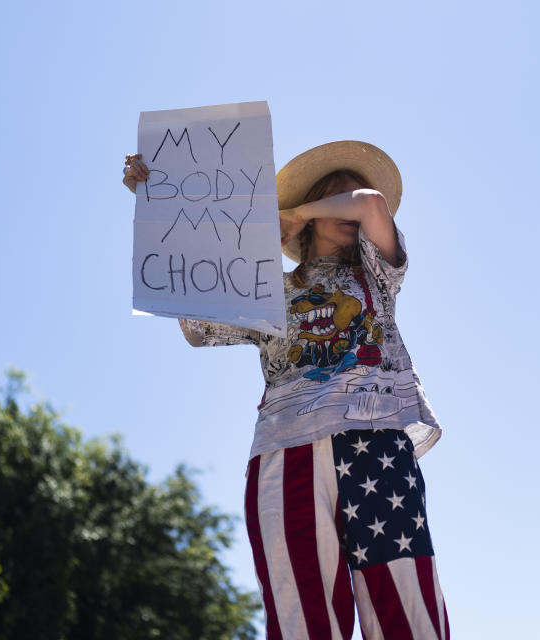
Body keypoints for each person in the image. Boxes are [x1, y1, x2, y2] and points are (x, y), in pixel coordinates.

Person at [123, 140, 449, 639]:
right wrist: (155, 200)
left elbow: (371, 203)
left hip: (376, 441)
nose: (349, 204)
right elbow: (193, 324)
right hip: (284, 453)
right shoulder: (268, 289)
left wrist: (294, 211)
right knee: (301, 619)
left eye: (346, 197)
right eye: (332, 196)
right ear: (315, 220)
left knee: (407, 607)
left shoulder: (378, 275)